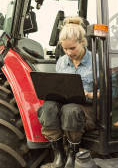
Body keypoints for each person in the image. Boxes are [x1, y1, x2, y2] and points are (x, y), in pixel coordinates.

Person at [37, 16, 98, 168]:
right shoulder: (61, 62)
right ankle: (59, 154)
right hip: (65, 107)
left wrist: (89, 94)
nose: (68, 52)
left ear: (83, 42)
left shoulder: (97, 61)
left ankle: (73, 154)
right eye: (65, 49)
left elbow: (113, 93)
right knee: (48, 107)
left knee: (70, 110)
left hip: (88, 109)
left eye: (72, 48)